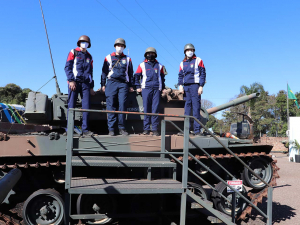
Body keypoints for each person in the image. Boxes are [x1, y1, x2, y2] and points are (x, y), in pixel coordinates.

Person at [101, 38, 134, 136]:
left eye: (122, 46)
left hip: (123, 84)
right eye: (118, 45)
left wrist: (131, 85)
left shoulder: (128, 59)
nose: (120, 47)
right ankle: (111, 129)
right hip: (111, 82)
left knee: (122, 106)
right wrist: (103, 84)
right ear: (115, 46)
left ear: (124, 47)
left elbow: (131, 73)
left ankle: (122, 128)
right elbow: (104, 72)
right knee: (110, 105)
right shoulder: (108, 57)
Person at [64, 35, 95, 136]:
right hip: (75, 83)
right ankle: (69, 129)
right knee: (71, 105)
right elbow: (67, 67)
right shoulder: (74, 52)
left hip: (86, 84)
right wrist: (71, 80)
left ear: (88, 44)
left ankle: (85, 130)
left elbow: (91, 72)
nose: (84, 43)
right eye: (82, 42)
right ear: (79, 43)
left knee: (86, 106)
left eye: (86, 42)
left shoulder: (89, 56)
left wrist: (91, 87)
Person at [134, 47, 167, 136]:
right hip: (146, 89)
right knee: (146, 109)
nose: (150, 55)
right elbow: (136, 76)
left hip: (157, 89)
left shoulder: (160, 65)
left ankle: (155, 129)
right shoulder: (142, 65)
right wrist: (137, 86)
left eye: (152, 53)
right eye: (148, 53)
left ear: (155, 55)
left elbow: (162, 78)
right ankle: (146, 129)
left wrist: (163, 88)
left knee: (155, 109)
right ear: (146, 55)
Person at [178, 43, 206, 136]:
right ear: (185, 52)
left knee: (196, 107)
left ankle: (197, 130)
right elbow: (180, 75)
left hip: (195, 86)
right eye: (187, 50)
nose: (189, 52)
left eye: (191, 50)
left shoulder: (198, 60)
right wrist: (180, 85)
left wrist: (201, 86)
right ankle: (186, 129)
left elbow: (203, 73)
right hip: (186, 87)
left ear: (193, 51)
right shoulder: (182, 63)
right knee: (187, 108)